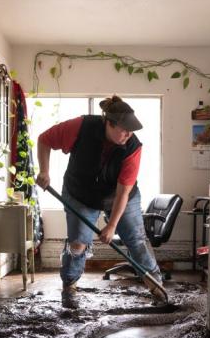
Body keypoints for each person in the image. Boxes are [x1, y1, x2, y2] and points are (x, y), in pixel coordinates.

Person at [36, 95, 162, 297]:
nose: (129, 134)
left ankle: (156, 286)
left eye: (132, 130)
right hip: (80, 193)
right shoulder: (80, 126)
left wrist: (112, 225)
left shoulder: (133, 148)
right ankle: (69, 285)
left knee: (136, 240)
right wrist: (44, 171)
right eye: (124, 129)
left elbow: (123, 191)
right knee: (78, 242)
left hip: (119, 196)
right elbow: (44, 139)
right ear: (109, 124)